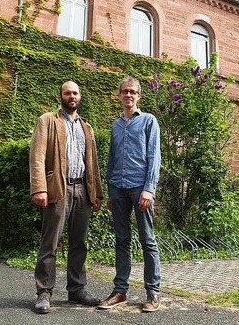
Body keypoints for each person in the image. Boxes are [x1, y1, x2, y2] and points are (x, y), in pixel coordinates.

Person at [30, 80, 104, 314]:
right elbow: (37, 156)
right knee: (50, 243)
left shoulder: (86, 127)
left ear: (80, 97)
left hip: (82, 190)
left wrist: (97, 193)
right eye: (67, 93)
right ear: (60, 96)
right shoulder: (47, 121)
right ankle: (44, 292)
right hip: (57, 189)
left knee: (79, 243)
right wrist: (39, 188)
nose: (71, 96)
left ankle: (76, 289)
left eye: (75, 93)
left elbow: (92, 163)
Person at [98, 76, 162, 313]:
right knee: (122, 239)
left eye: (133, 92)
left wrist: (149, 188)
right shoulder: (116, 124)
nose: (128, 95)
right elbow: (112, 158)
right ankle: (120, 291)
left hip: (140, 187)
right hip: (118, 188)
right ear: (119, 95)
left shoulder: (148, 121)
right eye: (125, 91)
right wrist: (110, 191)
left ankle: (152, 293)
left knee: (148, 240)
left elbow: (154, 156)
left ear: (139, 95)